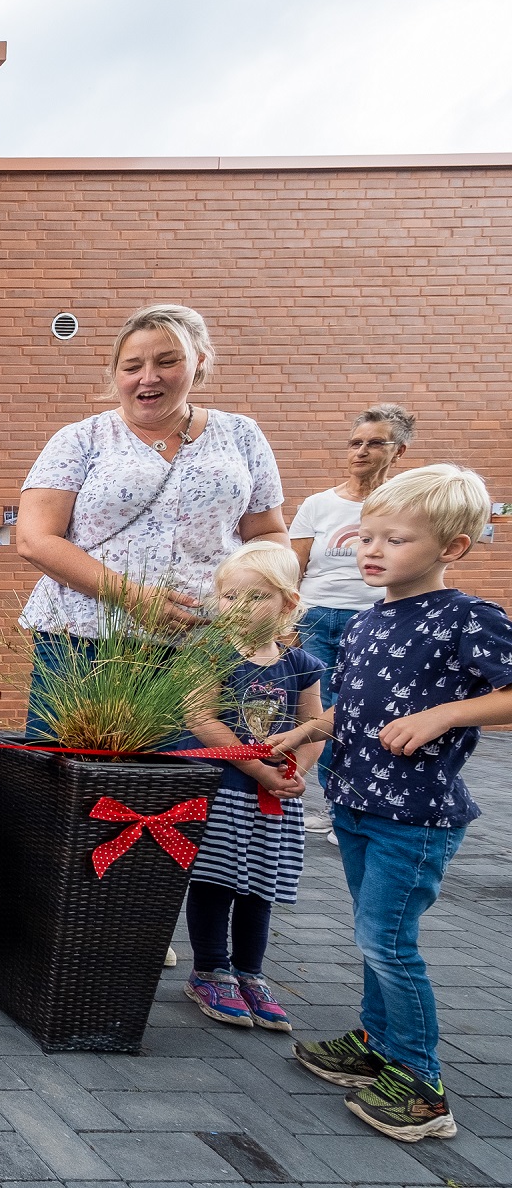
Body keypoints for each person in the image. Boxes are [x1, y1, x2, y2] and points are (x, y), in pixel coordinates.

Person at [0, 303, 287, 930]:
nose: (148, 377)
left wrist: (258, 597)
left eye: (167, 361)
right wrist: (135, 598)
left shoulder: (241, 436)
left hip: (200, 643)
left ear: (200, 363)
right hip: (84, 634)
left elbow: (268, 533)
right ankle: (15, 881)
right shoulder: (81, 439)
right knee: (57, 761)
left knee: (167, 783)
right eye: (132, 365)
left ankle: (132, 904)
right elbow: (36, 539)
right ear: (115, 373)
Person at [269, 465, 512, 1142]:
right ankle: (379, 1044)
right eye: (364, 537)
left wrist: (444, 715)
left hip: (417, 815)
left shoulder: (469, 617)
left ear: (451, 548)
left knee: (387, 940)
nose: (371, 551)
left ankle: (422, 1084)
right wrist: (304, 729)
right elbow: (354, 706)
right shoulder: (370, 621)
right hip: (353, 803)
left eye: (394, 539)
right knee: (371, 934)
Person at [180, 542, 322, 1032]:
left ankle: (250, 972)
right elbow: (198, 716)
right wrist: (259, 769)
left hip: (272, 799)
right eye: (228, 596)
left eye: (255, 597)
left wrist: (295, 770)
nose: (237, 608)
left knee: (260, 883)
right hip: (224, 791)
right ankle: (210, 968)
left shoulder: (299, 661)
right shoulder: (211, 652)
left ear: (287, 602)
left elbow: (316, 725)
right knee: (216, 880)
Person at [290, 403, 416, 837]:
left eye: (375, 443)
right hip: (316, 617)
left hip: (377, 621)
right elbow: (294, 567)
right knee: (319, 712)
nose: (361, 451)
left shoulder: (407, 505)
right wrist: (287, 619)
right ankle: (330, 803)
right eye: (355, 443)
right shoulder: (318, 505)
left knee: (364, 711)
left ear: (398, 451)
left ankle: (356, 799)